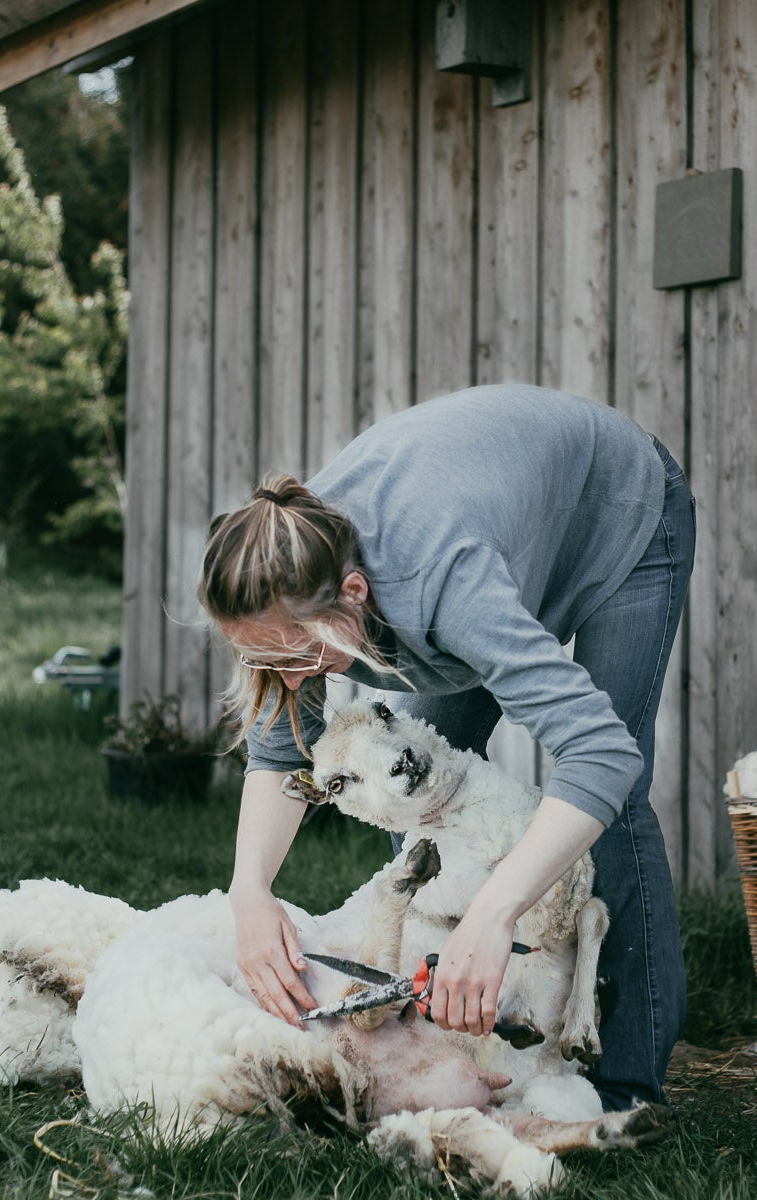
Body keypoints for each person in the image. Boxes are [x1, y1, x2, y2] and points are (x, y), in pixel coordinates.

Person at [198, 383, 694, 1111]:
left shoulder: (445, 584)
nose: (283, 677)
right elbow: (282, 751)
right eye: (262, 660)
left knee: (608, 802)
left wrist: (494, 914)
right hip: (493, 539)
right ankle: (441, 1039)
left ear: (355, 593)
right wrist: (250, 894)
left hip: (618, 513)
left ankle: (621, 1090)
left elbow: (602, 758)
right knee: (418, 806)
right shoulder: (292, 577)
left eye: (296, 658)